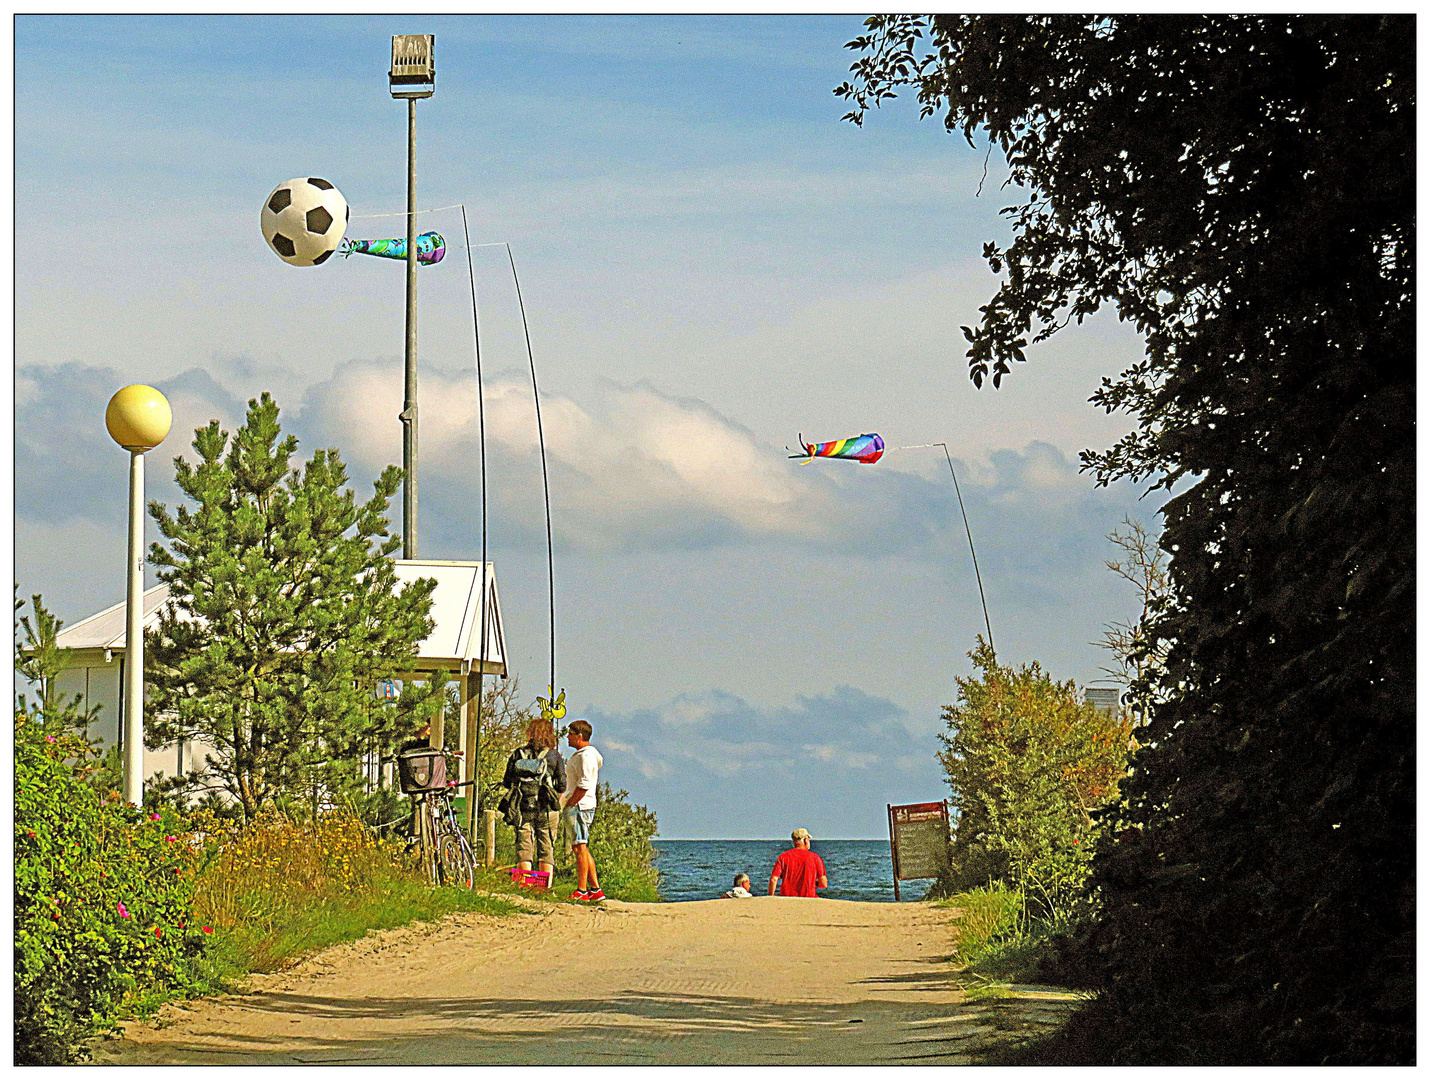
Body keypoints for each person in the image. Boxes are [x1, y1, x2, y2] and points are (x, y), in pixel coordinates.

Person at [501, 715, 566, 880]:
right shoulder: (554, 756)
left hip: (523, 807)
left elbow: (507, 782)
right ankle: (546, 886)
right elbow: (562, 786)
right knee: (546, 846)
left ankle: (525, 884)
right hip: (547, 809)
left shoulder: (519, 754)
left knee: (524, 846)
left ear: (530, 733)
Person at [563, 719, 604, 902]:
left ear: (579, 736)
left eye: (570, 734)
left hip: (580, 806)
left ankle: (582, 889)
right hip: (584, 804)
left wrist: (572, 801)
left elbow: (585, 783)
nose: (567, 737)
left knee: (579, 847)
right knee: (582, 847)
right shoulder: (590, 754)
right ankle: (595, 888)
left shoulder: (585, 756)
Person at [768, 828, 828, 897]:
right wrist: (814, 883)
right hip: (809, 898)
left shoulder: (783, 857)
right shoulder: (815, 858)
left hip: (787, 898)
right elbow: (823, 884)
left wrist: (771, 896)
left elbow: (773, 880)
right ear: (806, 840)